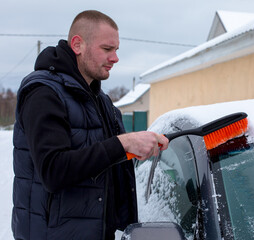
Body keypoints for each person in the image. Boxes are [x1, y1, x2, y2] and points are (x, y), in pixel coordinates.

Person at [12, 10, 169, 240]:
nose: (115, 58)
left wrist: (135, 146)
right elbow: (54, 171)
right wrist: (123, 143)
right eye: (107, 49)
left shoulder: (100, 99)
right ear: (78, 45)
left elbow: (104, 159)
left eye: (116, 50)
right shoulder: (43, 93)